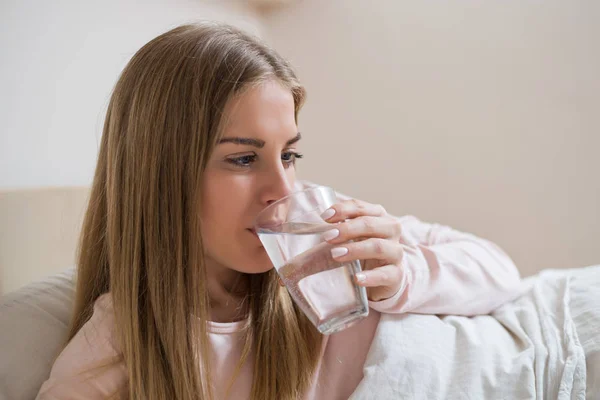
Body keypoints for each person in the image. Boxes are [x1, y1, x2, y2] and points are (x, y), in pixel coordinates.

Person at [36, 22, 524, 400]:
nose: (282, 188)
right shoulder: (122, 343)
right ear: (161, 176)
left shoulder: (324, 232)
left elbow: (502, 273)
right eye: (244, 159)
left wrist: (403, 276)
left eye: (289, 155)